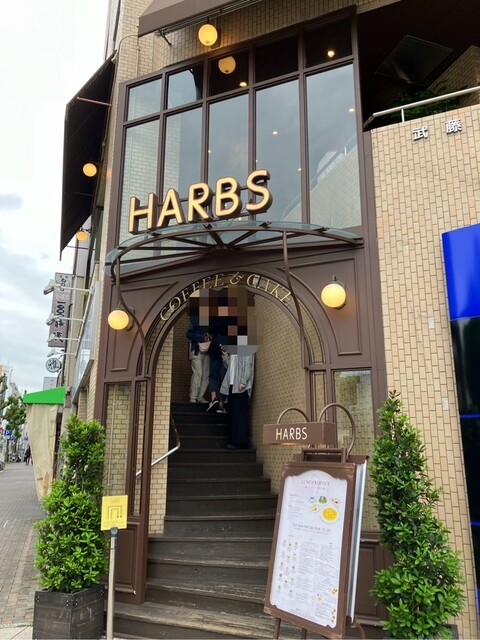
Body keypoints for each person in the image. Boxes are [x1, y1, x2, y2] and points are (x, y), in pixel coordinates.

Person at [220, 352, 255, 448]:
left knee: (239, 414)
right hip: (232, 385)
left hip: (240, 386)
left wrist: (243, 381)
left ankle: (240, 441)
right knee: (233, 413)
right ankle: (233, 440)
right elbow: (229, 366)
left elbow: (248, 366)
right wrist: (225, 356)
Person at [186, 323, 210, 403]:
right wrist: (202, 337)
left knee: (206, 375)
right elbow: (188, 334)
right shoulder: (195, 321)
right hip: (197, 351)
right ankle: (193, 397)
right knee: (198, 373)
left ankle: (200, 396)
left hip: (208, 352)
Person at [206, 335, 228, 413]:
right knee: (224, 378)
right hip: (226, 350)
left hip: (215, 350)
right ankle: (221, 404)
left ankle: (214, 399)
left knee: (213, 377)